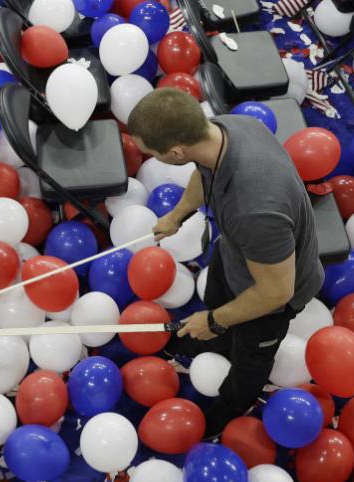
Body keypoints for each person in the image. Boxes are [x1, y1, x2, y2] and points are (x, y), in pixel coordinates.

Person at [127, 88, 324, 439]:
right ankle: (214, 339)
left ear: (175, 152)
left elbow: (276, 292)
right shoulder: (226, 128)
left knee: (251, 356)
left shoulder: (254, 209)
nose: (152, 158)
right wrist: (178, 214)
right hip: (236, 252)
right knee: (217, 302)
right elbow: (204, 174)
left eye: (152, 154)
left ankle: (231, 406)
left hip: (273, 292)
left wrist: (215, 321)